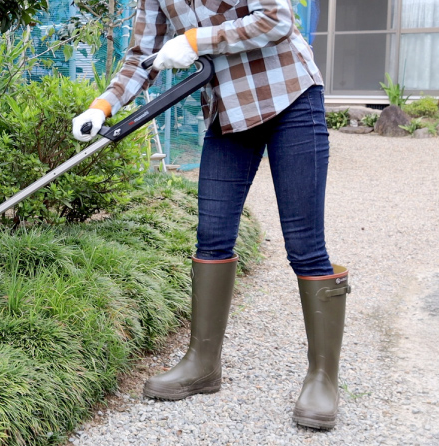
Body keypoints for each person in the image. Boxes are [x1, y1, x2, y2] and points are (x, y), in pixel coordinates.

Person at [71, 0, 351, 430]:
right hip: (229, 114)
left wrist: (195, 40)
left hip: (289, 96)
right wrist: (102, 106)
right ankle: (203, 363)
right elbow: (140, 57)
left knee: (305, 245)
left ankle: (322, 378)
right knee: (213, 236)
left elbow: (277, 19)